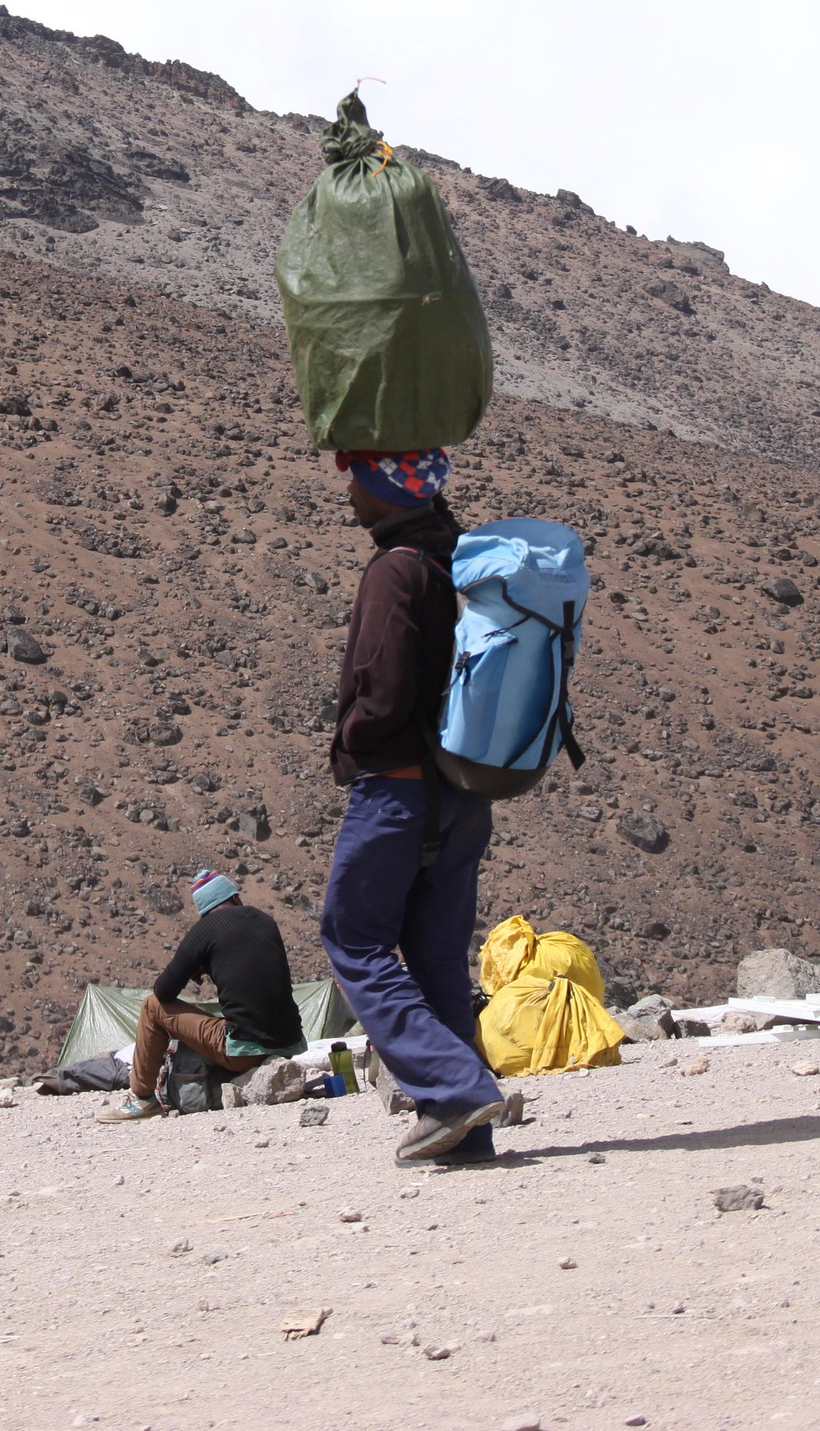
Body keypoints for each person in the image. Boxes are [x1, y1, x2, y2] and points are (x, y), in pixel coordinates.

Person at [315, 448, 508, 1166]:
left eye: (359, 479)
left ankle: (457, 1088)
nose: (350, 495)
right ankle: (468, 1132)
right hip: (459, 792)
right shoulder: (446, 562)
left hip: (395, 786)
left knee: (353, 935)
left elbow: (387, 692)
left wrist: (350, 735)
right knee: (434, 958)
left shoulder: (396, 570)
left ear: (385, 489)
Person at [98, 869, 307, 1122]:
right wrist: (210, 963)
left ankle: (142, 1099)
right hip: (291, 1043)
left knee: (152, 1007)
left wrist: (198, 964)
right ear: (235, 898)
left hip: (244, 1051)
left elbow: (163, 991)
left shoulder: (204, 930)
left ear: (204, 911)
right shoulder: (265, 921)